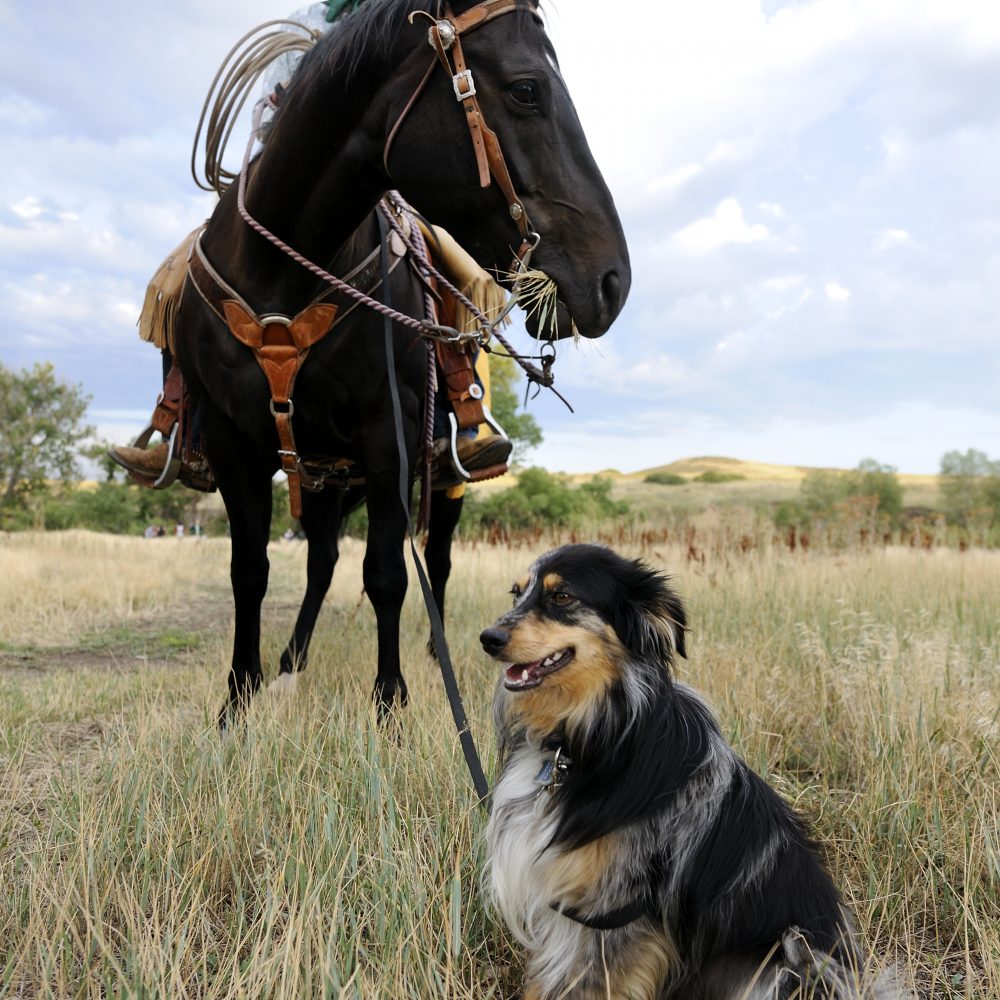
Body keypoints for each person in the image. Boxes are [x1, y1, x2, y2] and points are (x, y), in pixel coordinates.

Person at [110, 0, 510, 490]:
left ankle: (462, 420)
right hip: (290, 185)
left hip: (378, 183)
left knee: (457, 272)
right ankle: (182, 431)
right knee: (177, 280)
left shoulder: (403, 21)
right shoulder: (305, 23)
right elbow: (265, 120)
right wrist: (282, 109)